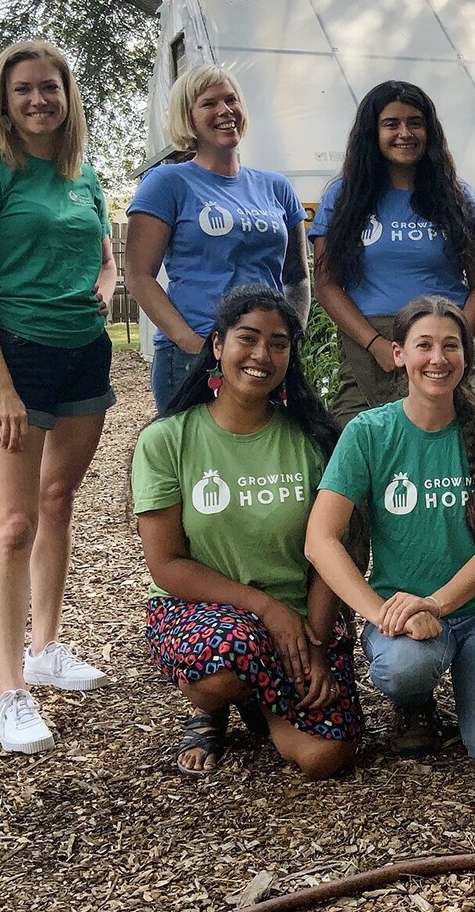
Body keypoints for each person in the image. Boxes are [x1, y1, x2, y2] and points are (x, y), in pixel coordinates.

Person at [0, 39, 117, 755]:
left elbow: (106, 253)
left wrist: (104, 293)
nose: (39, 99)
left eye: (51, 87)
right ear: (4, 101)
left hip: (84, 354)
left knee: (58, 502)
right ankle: (10, 689)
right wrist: (3, 386)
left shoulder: (85, 176)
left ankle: (47, 647)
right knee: (14, 523)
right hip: (15, 353)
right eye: (24, 90)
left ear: (68, 96)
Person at [133, 286, 361, 779]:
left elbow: (330, 551)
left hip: (303, 616)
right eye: (247, 338)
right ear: (217, 344)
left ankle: (262, 701)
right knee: (225, 660)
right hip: (204, 613)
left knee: (326, 759)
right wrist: (265, 609)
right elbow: (166, 564)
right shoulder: (167, 440)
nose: (262, 354)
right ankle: (212, 707)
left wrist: (317, 646)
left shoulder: (314, 440)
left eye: (279, 343)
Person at [304, 295, 475, 770]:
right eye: (423, 345)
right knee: (405, 667)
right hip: (402, 613)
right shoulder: (368, 433)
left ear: (467, 357)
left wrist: (437, 604)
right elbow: (320, 540)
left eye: (451, 346)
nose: (437, 358)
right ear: (398, 354)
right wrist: (383, 613)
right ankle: (415, 701)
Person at [126, 63, 309, 410]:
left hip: (263, 357)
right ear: (188, 117)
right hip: (191, 358)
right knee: (196, 464)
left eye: (231, 100)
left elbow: (297, 277)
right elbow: (138, 275)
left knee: (261, 462)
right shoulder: (167, 183)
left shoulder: (277, 187)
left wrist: (290, 338)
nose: (225, 111)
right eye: (209, 103)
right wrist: (192, 343)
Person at [313, 81, 475, 424]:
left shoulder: (457, 197)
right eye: (391, 124)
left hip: (442, 346)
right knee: (357, 449)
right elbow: (327, 285)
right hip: (369, 345)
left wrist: (454, 339)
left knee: (449, 450)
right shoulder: (343, 197)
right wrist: (376, 343)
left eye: (415, 122)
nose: (405, 133)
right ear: (372, 132)